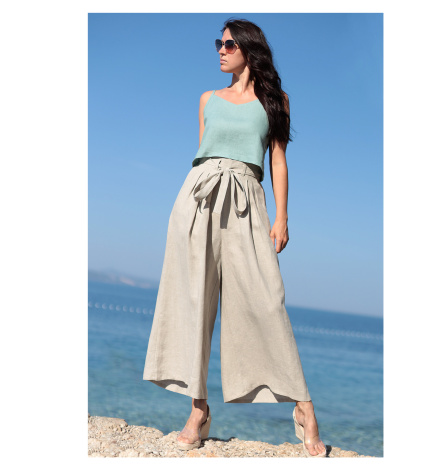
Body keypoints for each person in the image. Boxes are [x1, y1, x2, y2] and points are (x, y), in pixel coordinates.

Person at [143, 18, 327, 458]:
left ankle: (303, 406)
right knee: (194, 302)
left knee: (266, 299)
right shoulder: (208, 99)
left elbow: (277, 160)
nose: (220, 50)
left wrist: (282, 217)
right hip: (197, 199)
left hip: (247, 199)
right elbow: (202, 155)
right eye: (219, 44)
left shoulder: (276, 101)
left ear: (248, 48)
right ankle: (198, 410)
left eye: (228, 44)